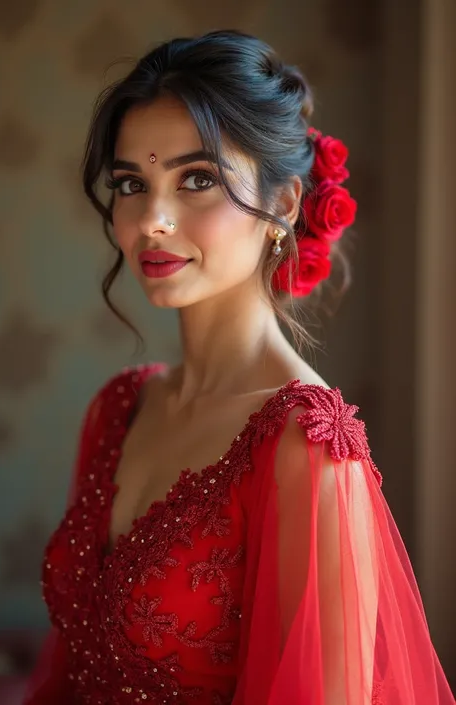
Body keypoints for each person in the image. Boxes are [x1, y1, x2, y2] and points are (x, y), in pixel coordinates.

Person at [23, 29, 454, 705]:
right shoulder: (118, 408)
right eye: (132, 183)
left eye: (197, 179)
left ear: (282, 204)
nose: (152, 220)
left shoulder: (306, 446)